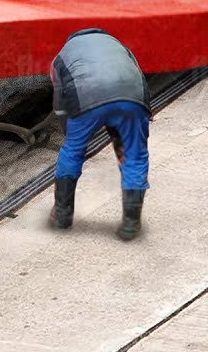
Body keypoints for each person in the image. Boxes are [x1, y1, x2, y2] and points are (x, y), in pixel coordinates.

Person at [49, 28, 151, 241]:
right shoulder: (119, 46)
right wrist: (142, 117)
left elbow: (60, 104)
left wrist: (72, 134)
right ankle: (131, 225)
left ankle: (62, 216)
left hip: (88, 101)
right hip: (131, 100)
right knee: (134, 156)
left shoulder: (61, 56)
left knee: (72, 151)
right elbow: (138, 75)